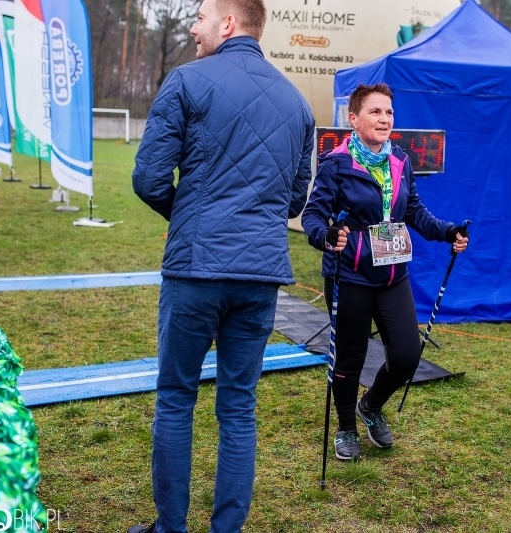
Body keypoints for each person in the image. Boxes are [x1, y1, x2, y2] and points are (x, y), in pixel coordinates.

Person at [129, 0, 314, 531]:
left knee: (176, 399)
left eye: (201, 16)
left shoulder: (187, 80)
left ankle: (171, 528)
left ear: (228, 24)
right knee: (238, 407)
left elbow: (148, 179)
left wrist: (188, 215)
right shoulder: (297, 103)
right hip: (259, 276)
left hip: (197, 270)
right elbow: (295, 202)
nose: (192, 26)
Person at [301, 83, 468, 462]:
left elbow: (414, 212)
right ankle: (345, 427)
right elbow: (312, 215)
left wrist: (447, 231)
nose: (384, 119)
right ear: (354, 118)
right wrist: (325, 236)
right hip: (350, 275)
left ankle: (370, 406)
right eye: (375, 112)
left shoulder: (401, 160)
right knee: (349, 359)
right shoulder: (337, 164)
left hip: (393, 275)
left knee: (408, 356)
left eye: (389, 112)